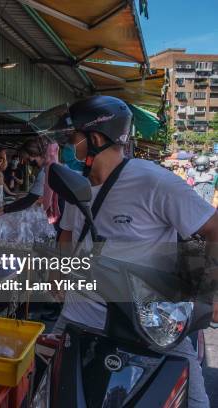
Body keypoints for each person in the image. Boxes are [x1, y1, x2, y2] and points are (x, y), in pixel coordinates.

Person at [55, 96, 218, 408]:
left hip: (147, 326)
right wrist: (59, 272)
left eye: (71, 138)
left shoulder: (154, 181)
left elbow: (213, 227)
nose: (67, 146)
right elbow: (67, 233)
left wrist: (213, 292)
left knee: (194, 400)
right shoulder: (78, 185)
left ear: (96, 139)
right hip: (78, 319)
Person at [0, 139, 47, 217]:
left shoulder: (44, 172)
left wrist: (4, 209)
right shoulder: (45, 168)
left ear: (31, 156)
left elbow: (29, 201)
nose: (25, 161)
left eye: (25, 159)